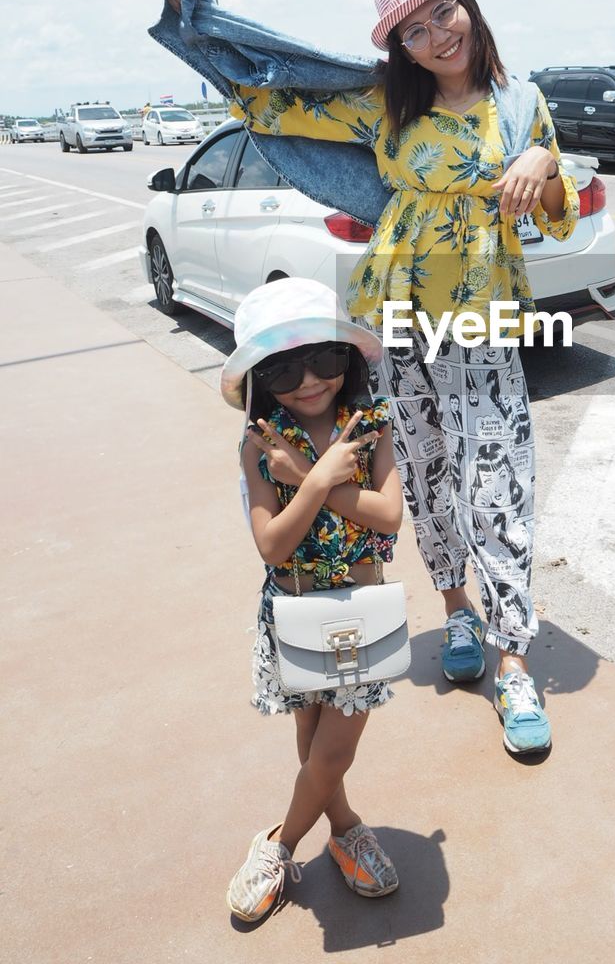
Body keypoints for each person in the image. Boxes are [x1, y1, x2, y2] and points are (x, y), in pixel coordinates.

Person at [162, 0, 580, 756]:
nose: (435, 37)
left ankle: (515, 663)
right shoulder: (386, 106)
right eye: (413, 31)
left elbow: (556, 217)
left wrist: (545, 163)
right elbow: (274, 101)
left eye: (442, 14)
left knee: (497, 482)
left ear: (468, 6)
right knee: (420, 471)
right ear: (402, 49)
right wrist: (199, 22)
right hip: (393, 312)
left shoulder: (522, 105)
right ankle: (457, 614)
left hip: (480, 317)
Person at [220, 277, 404, 922]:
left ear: (345, 359)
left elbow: (388, 517)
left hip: (360, 613)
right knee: (310, 732)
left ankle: (280, 844)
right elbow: (271, 545)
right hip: (293, 610)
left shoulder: (371, 424)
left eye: (322, 360)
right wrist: (317, 479)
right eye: (281, 370)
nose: (307, 381)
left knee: (334, 748)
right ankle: (346, 827)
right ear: (257, 382)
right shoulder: (260, 443)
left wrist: (312, 479)